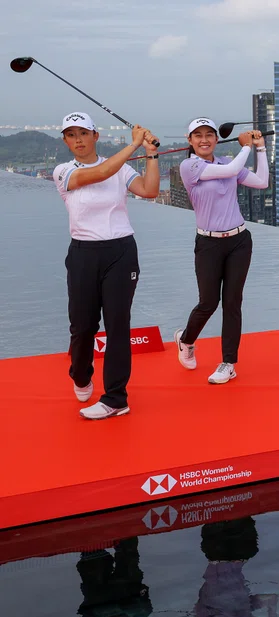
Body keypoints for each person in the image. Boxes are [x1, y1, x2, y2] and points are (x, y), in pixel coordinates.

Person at [52, 112, 159, 420]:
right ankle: (80, 374)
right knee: (82, 326)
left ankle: (115, 398)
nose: (78, 140)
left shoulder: (121, 168)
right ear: (65, 141)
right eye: (71, 135)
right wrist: (134, 145)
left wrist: (150, 154)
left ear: (95, 136)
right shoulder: (63, 171)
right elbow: (99, 173)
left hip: (121, 252)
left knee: (117, 325)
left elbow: (149, 190)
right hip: (83, 254)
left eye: (83, 133)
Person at [173, 118, 269, 384]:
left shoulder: (226, 162)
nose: (204, 140)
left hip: (239, 241)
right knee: (208, 302)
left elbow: (262, 181)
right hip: (209, 244)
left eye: (209, 135)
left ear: (217, 139)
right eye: (198, 135)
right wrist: (246, 146)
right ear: (190, 140)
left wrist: (260, 148)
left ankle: (228, 363)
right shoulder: (189, 166)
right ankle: (186, 340)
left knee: (232, 302)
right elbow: (231, 170)